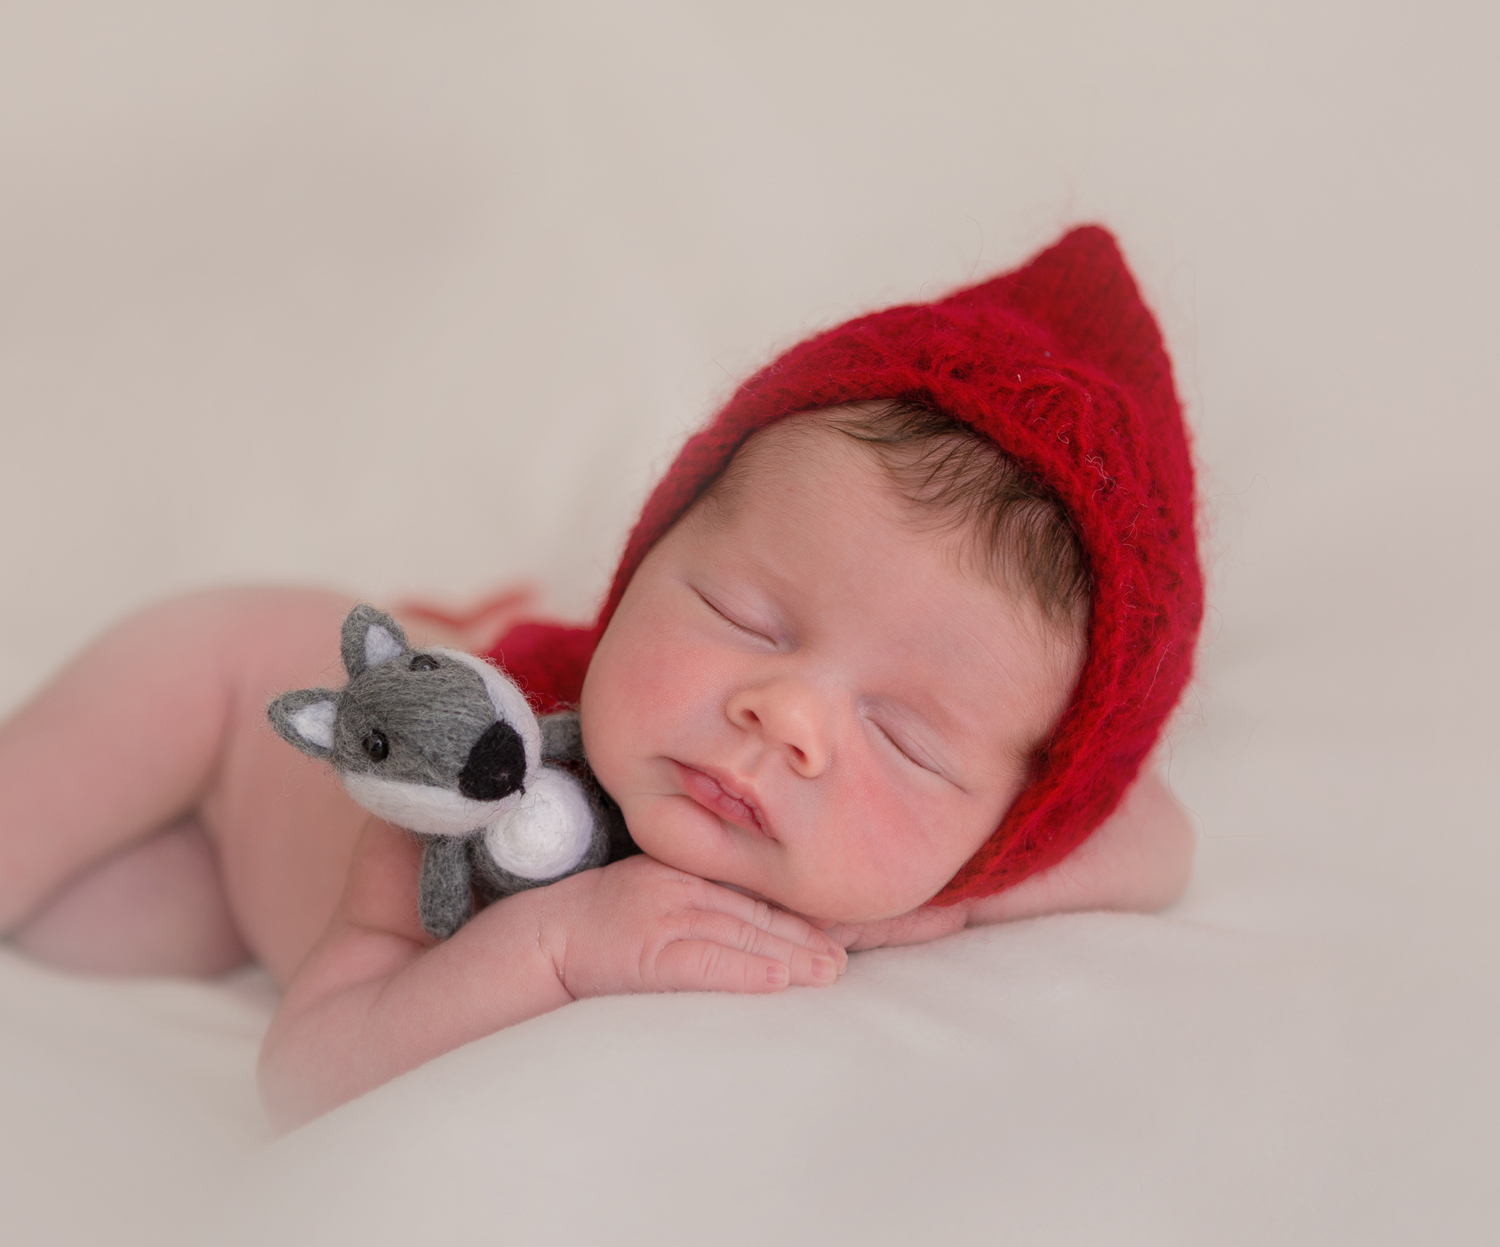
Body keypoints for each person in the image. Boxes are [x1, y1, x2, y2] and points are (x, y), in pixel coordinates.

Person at [0, 226, 1202, 1131]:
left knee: (76, 936)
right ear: (639, 566)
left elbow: (1153, 837)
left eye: (908, 737)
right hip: (235, 685)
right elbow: (303, 1066)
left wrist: (947, 890)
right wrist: (554, 949)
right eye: (742, 614)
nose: (784, 713)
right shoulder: (492, 779)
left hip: (238, 907)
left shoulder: (909, 858)